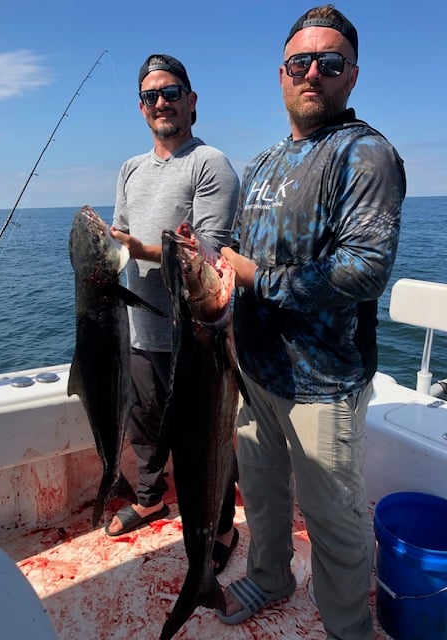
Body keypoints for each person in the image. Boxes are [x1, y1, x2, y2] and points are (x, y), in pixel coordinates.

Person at [216, 6, 406, 640]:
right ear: (282, 74)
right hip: (257, 371)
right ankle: (271, 578)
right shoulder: (266, 161)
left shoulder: (366, 153)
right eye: (301, 62)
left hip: (323, 383)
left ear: (352, 76)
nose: (313, 73)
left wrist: (253, 278)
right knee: (263, 498)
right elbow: (243, 249)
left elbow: (364, 271)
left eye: (330, 63)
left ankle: (347, 628)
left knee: (333, 520)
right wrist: (212, 263)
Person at [104, 53, 240, 575]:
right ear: (141, 109)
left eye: (170, 92)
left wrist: (141, 250)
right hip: (139, 328)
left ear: (191, 100)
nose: (161, 102)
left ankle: (221, 525)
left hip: (198, 339)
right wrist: (112, 249)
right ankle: (150, 497)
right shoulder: (130, 169)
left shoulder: (210, 164)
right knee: (144, 423)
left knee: (202, 437)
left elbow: (210, 253)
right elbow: (122, 236)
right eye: (150, 96)